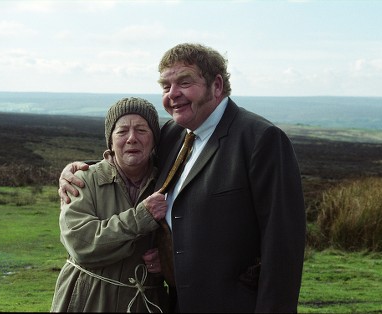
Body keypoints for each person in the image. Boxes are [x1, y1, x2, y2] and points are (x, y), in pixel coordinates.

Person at [59, 43, 306, 313]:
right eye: (166, 86)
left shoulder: (261, 140)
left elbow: (283, 247)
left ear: (217, 85)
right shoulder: (173, 135)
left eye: (184, 82)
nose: (173, 94)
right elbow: (132, 159)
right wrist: (84, 170)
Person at [50, 97, 169, 312]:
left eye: (141, 130)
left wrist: (168, 260)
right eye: (122, 131)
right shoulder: (83, 180)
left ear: (154, 140)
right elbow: (80, 244)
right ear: (110, 142)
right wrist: (140, 218)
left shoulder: (167, 184)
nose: (132, 138)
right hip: (86, 300)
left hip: (146, 303)